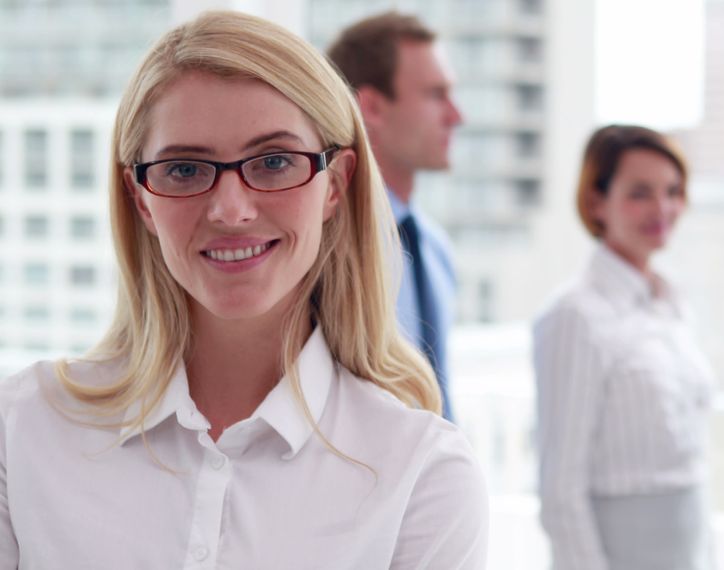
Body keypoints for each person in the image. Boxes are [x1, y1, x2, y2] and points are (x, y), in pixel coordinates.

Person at [0, 11, 487, 568]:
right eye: (185, 169)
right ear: (142, 200)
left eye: (275, 161)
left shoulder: (423, 475)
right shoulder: (24, 431)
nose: (231, 210)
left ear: (336, 184)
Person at [533, 125, 715, 570]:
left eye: (673, 191)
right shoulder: (575, 316)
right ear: (597, 201)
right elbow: (560, 492)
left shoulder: (672, 306)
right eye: (640, 193)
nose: (663, 208)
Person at [326, 12, 463, 422]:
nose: (457, 115)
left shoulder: (435, 248)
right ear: (371, 106)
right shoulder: (325, 250)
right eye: (437, 95)